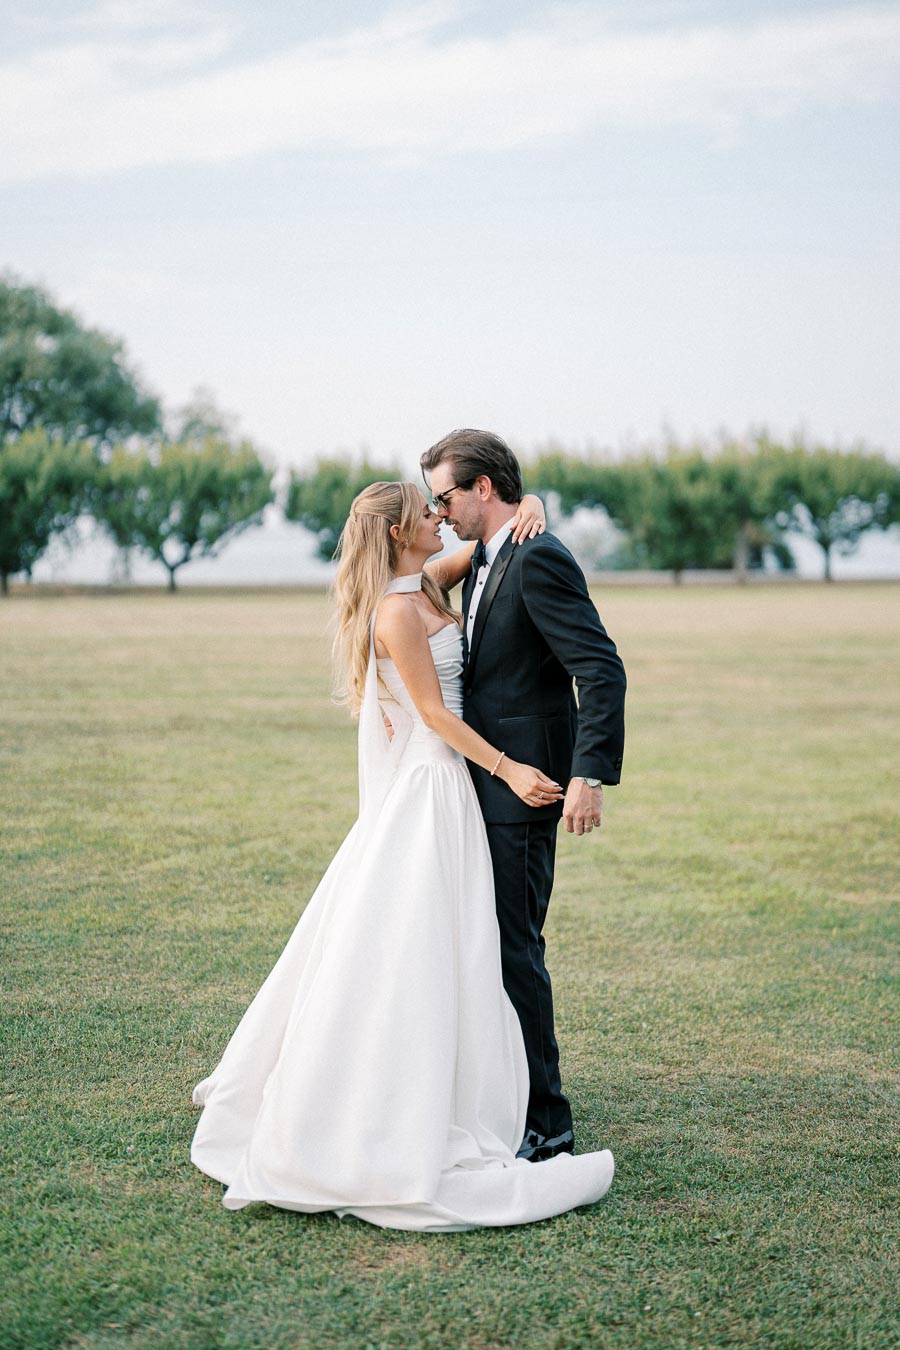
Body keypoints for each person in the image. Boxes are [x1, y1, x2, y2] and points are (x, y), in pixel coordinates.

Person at [191, 481, 615, 1231]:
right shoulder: (395, 610)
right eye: (426, 513)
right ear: (396, 532)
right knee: (415, 940)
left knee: (460, 942)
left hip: (451, 790)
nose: (438, 517)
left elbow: (491, 545)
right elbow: (432, 716)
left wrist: (532, 503)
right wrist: (509, 769)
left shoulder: (427, 580)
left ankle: (459, 1079)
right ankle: (390, 1094)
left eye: (441, 504)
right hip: (434, 785)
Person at [420, 430, 627, 1163]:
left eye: (443, 497)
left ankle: (549, 1118)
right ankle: (498, 1093)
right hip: (474, 784)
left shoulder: (539, 555)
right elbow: (414, 583)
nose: (436, 513)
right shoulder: (484, 554)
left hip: (527, 790)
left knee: (515, 950)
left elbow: (600, 670)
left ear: (481, 487)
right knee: (484, 945)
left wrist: (587, 774)